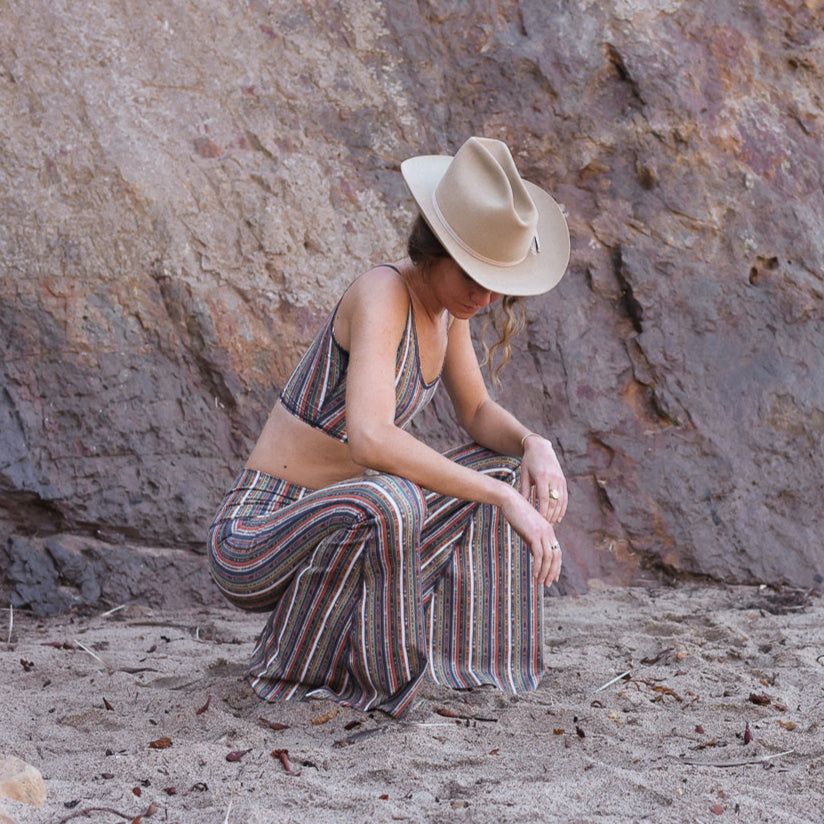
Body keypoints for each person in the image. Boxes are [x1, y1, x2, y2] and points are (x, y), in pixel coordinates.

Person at [207, 136, 571, 718]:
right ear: (435, 248)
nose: (485, 296)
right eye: (472, 274)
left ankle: (468, 668)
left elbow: (477, 412)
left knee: (504, 468)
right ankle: (301, 666)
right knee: (395, 498)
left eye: (494, 280)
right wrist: (501, 497)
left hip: (349, 523)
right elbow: (370, 438)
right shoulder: (383, 293)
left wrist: (535, 445)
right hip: (259, 536)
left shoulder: (449, 311)